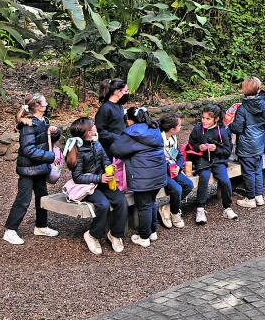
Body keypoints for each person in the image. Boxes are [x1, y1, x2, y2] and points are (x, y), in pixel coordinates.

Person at [64, 116, 127, 255]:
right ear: (87, 132)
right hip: (87, 186)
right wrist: (100, 178)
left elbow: (104, 159)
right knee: (103, 204)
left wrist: (109, 166)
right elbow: (77, 177)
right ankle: (92, 235)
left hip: (102, 181)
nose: (95, 126)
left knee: (121, 200)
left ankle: (115, 235)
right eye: (92, 125)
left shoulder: (96, 143)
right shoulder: (77, 150)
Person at [2, 93, 59, 246]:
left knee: (42, 197)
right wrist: (50, 156)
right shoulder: (28, 125)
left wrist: (55, 132)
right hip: (28, 168)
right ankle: (10, 230)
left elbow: (46, 139)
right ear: (38, 106)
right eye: (45, 101)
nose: (47, 103)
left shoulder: (44, 120)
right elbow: (28, 150)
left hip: (40, 167)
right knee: (23, 199)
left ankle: (41, 226)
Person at [110, 107, 167, 248]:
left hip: (143, 177)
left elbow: (116, 149)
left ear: (129, 120)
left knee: (143, 206)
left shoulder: (131, 132)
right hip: (158, 174)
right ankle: (152, 231)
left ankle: (144, 237)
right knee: (152, 202)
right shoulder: (154, 129)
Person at [187, 104, 238, 223]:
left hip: (218, 160)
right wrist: (198, 147)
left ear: (216, 119)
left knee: (225, 180)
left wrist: (216, 149)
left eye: (208, 119)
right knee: (204, 177)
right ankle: (200, 209)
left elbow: (227, 151)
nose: (204, 121)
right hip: (202, 160)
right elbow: (191, 144)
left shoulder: (222, 131)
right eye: (203, 118)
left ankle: (227, 207)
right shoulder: (197, 129)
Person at [230, 77, 265, 209]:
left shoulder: (242, 108)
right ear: (258, 89)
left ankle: (250, 198)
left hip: (246, 145)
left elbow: (237, 128)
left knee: (248, 172)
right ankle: (259, 196)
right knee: (257, 170)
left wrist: (230, 125)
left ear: (244, 90)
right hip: (259, 143)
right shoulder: (263, 104)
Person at [158, 113, 192, 228]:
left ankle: (167, 208)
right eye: (179, 126)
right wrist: (169, 166)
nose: (180, 127)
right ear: (172, 129)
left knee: (188, 184)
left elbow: (178, 155)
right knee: (177, 189)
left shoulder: (173, 137)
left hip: (173, 169)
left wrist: (178, 166)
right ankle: (175, 212)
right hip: (162, 172)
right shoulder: (158, 139)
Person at [94, 78, 129, 155]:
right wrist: (116, 137)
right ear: (117, 92)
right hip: (109, 150)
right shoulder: (105, 108)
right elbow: (100, 131)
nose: (127, 93)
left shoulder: (119, 106)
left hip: (120, 146)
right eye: (125, 91)